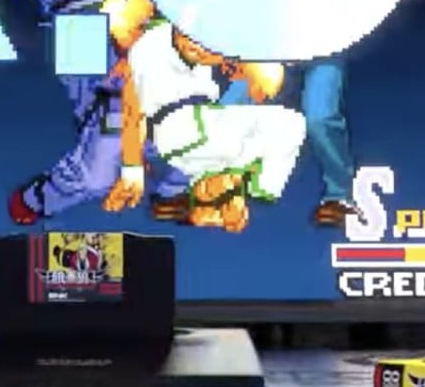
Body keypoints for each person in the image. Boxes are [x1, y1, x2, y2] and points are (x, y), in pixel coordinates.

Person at [2, 0, 186, 222]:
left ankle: (168, 184)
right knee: (101, 119)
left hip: (123, 13)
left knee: (170, 100)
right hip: (75, 23)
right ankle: (41, 197)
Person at [102, 19, 307, 233]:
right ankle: (235, 189)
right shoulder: (149, 47)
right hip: (182, 125)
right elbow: (132, 110)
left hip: (191, 144)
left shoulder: (207, 52)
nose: (201, 49)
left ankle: (214, 197)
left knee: (281, 131)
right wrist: (131, 170)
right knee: (286, 125)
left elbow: (231, 63)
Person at [204, 59, 357, 227]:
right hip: (274, 54)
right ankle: (205, 182)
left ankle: (339, 196)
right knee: (225, 110)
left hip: (323, 55)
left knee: (320, 118)